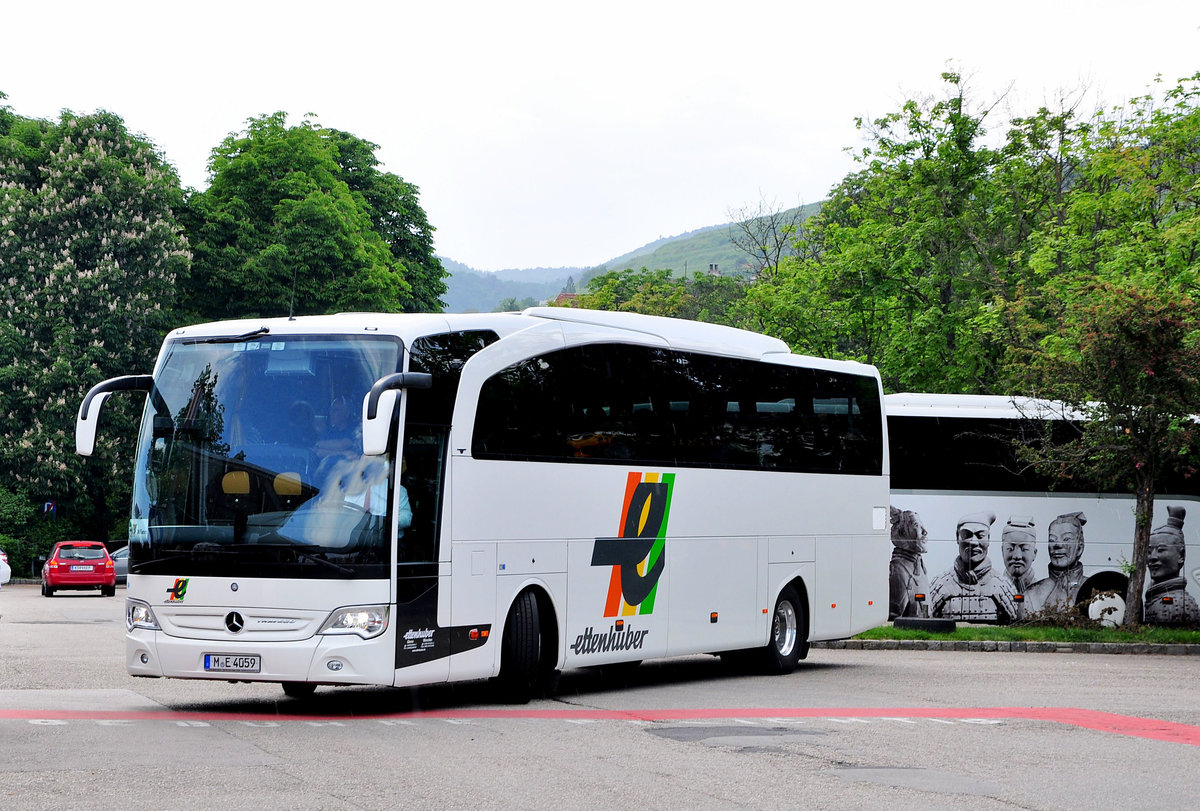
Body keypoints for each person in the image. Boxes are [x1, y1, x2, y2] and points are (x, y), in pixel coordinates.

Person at [928, 510, 1020, 622]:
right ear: (957, 537)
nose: (974, 542)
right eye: (967, 535)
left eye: (980, 536)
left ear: (989, 538)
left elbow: (1015, 627)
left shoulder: (1002, 585)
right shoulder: (940, 584)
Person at [1143, 506, 1200, 626]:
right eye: (1149, 551)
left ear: (1181, 555)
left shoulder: (1182, 605)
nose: (1152, 557)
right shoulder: (1156, 596)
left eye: (1161, 550)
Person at [1024, 512, 1087, 613]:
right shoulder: (1031, 594)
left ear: (1080, 547)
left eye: (1066, 539)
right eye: (1052, 540)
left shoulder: (1093, 590)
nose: (1057, 545)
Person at [888, 507, 929, 619]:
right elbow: (893, 620)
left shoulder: (919, 569)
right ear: (902, 533)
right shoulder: (898, 571)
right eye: (916, 526)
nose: (925, 531)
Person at [1001, 516, 1038, 596]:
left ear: (1034, 553)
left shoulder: (1042, 591)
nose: (1017, 556)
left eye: (1024, 549)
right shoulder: (994, 590)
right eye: (1010, 548)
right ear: (1002, 551)